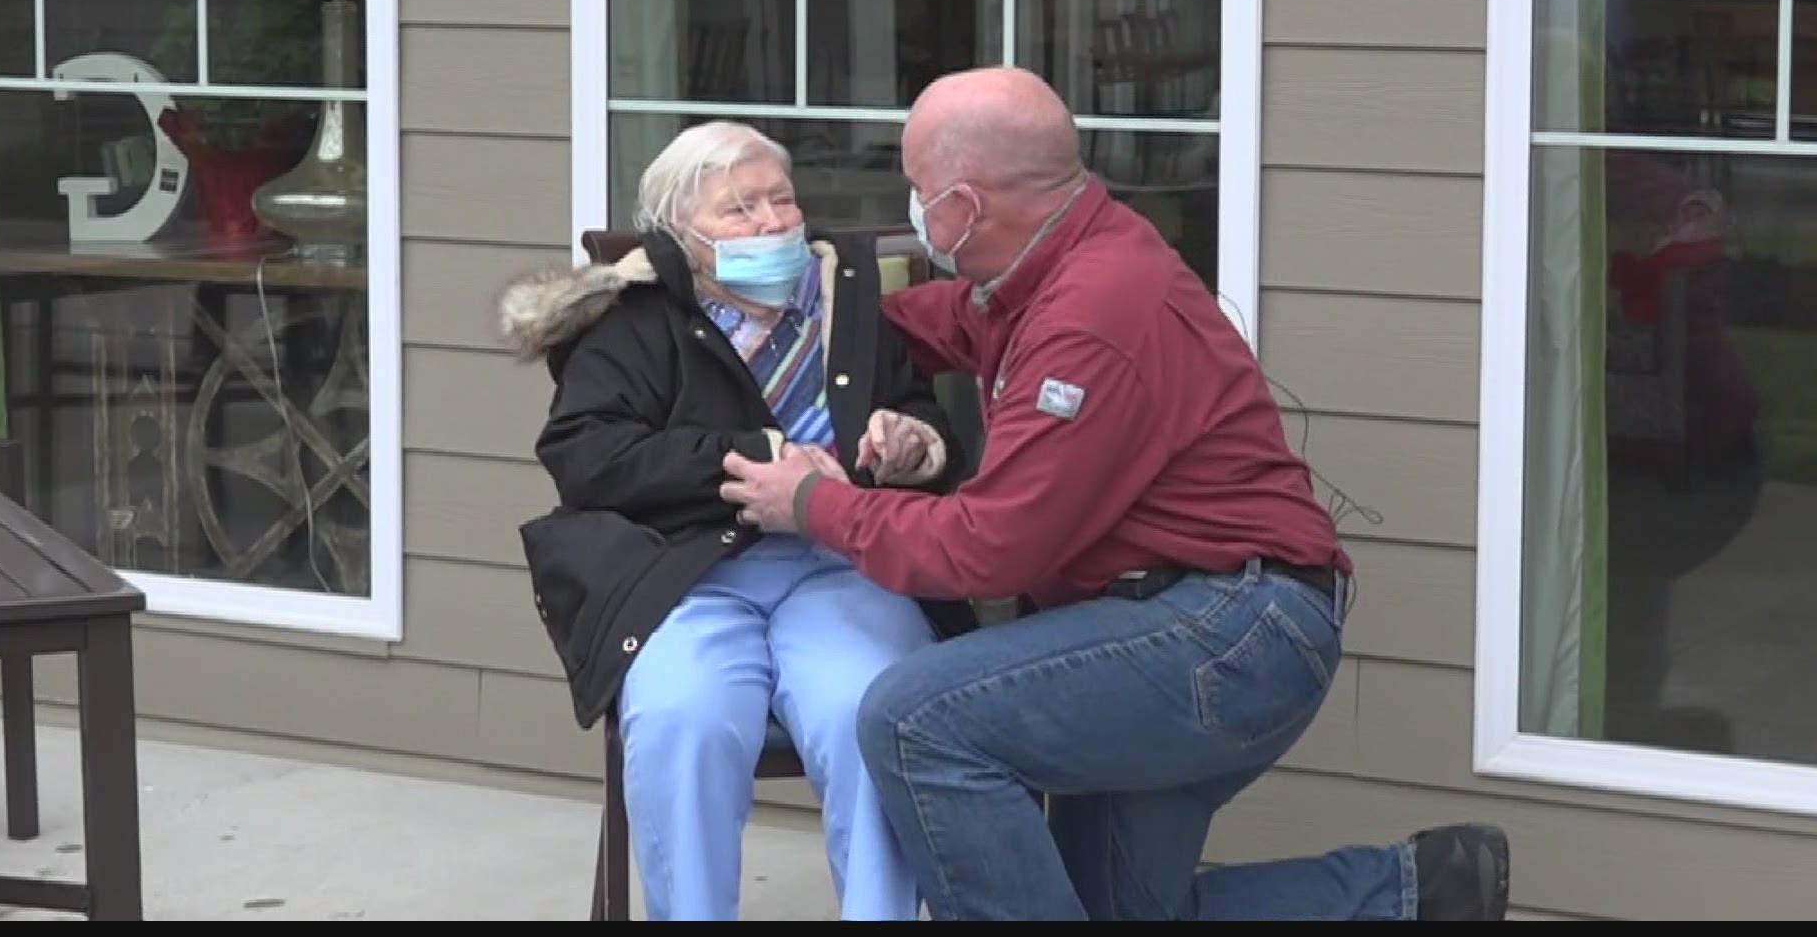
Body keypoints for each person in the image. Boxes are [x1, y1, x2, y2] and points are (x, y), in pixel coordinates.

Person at [718, 67, 1513, 921]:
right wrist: (795, 313)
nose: (913, 214)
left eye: (917, 191)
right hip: (1180, 613)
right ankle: (1419, 894)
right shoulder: (1045, 266)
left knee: (915, 720)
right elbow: (939, 321)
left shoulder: (1091, 312)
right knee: (1114, 910)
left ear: (967, 207)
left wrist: (811, 502)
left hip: (1228, 630)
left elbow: (986, 550)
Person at [498, 120, 974, 921]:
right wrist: (756, 455)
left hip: (838, 562)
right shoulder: (632, 315)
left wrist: (914, 443)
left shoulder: (843, 295)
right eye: (738, 209)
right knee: (683, 720)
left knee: (875, 714)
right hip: (686, 573)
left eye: (780, 200)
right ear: (680, 235)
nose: (770, 222)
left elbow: (915, 408)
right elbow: (585, 455)